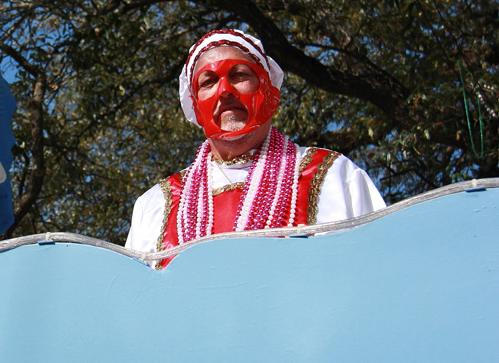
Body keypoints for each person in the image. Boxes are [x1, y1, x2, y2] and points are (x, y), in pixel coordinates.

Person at [125, 29, 386, 268]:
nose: (225, 90)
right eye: (208, 82)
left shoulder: (332, 174)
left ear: (269, 92)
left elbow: (377, 270)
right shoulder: (155, 204)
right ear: (195, 107)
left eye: (239, 75)